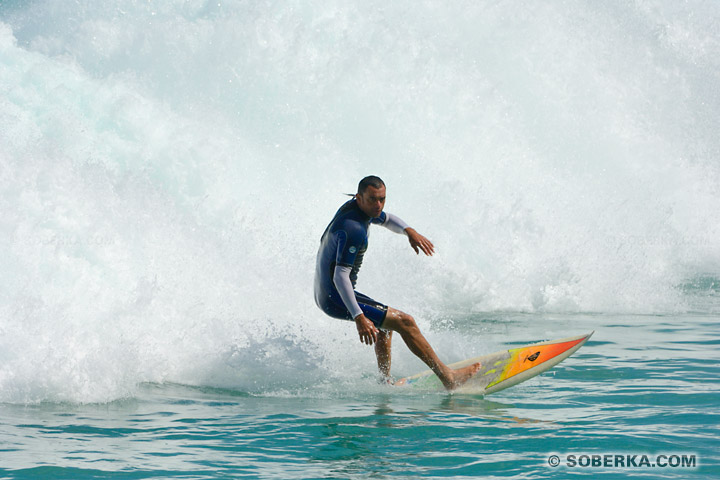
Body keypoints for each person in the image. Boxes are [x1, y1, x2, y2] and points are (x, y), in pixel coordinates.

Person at [314, 175, 480, 390]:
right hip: (334, 296)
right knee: (405, 322)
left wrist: (408, 230)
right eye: (373, 199)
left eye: (382, 199)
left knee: (386, 326)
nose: (378, 205)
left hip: (329, 292)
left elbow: (386, 218)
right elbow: (340, 276)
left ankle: (385, 383)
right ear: (359, 197)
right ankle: (449, 378)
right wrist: (359, 317)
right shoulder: (353, 229)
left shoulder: (356, 208)